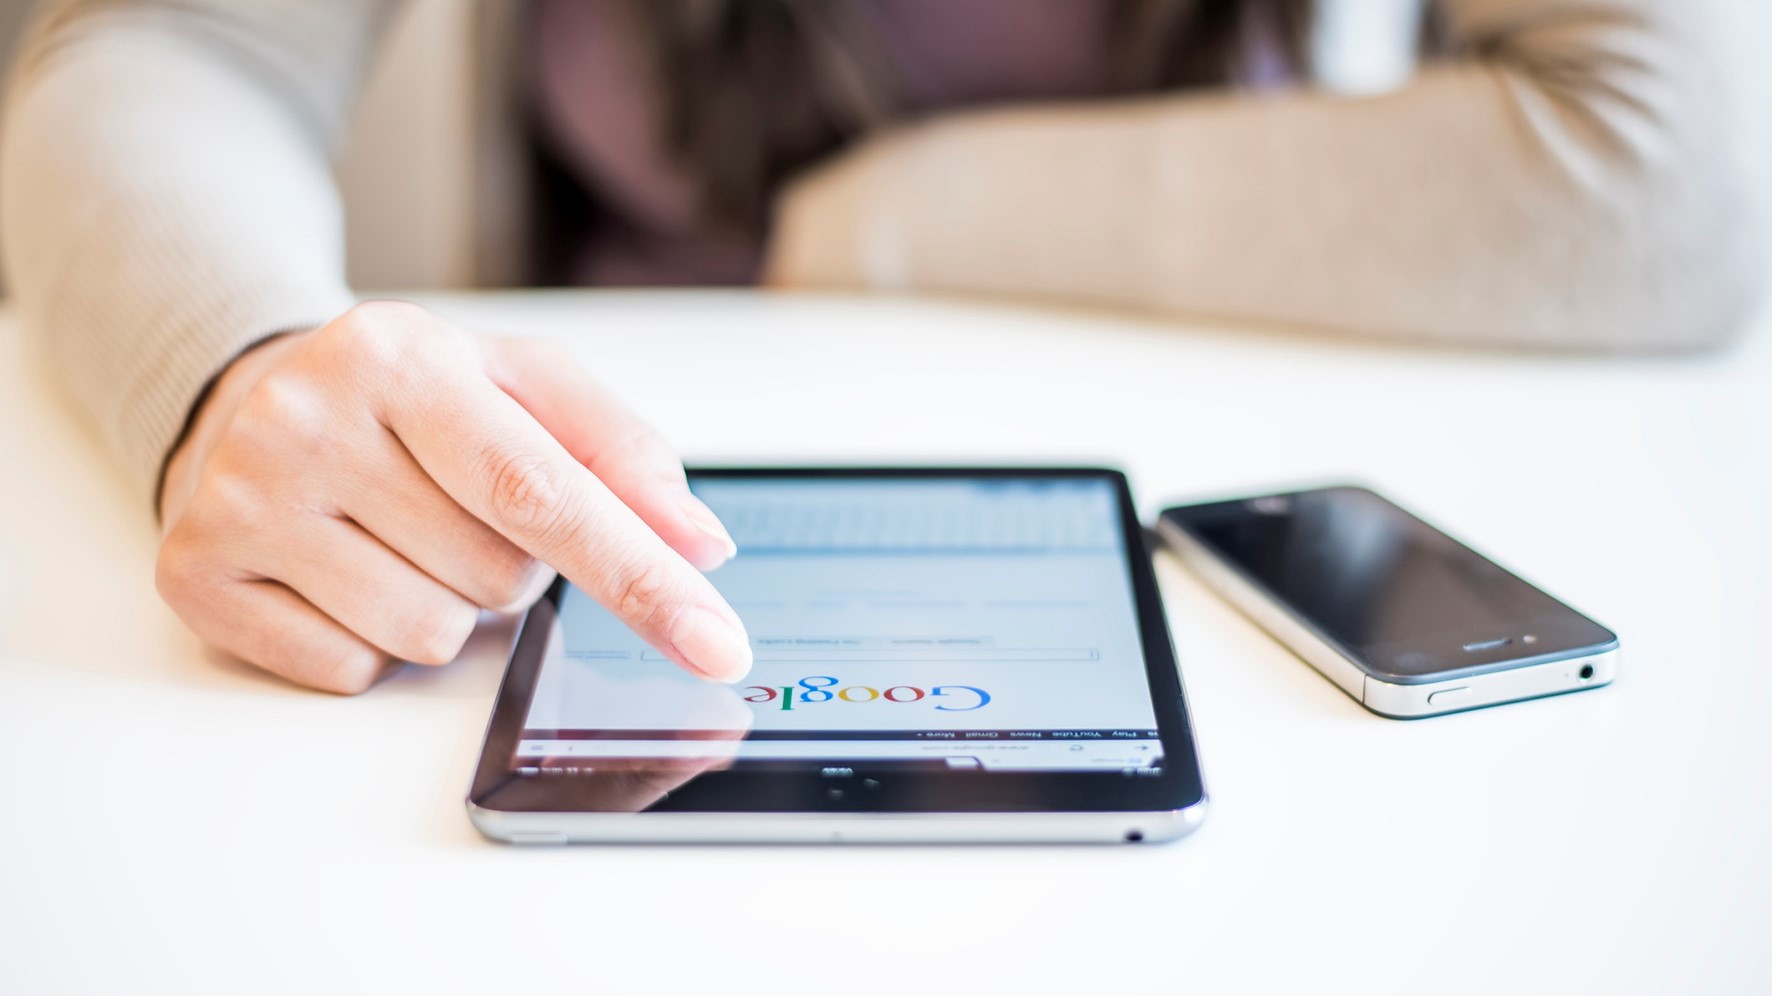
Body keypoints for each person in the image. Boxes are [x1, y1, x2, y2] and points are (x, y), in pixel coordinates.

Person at [1, 0, 1764, 694]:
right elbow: (167, 50)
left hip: (1188, 427)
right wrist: (232, 362)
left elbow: (1678, 174)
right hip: (608, 486)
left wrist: (881, 228)